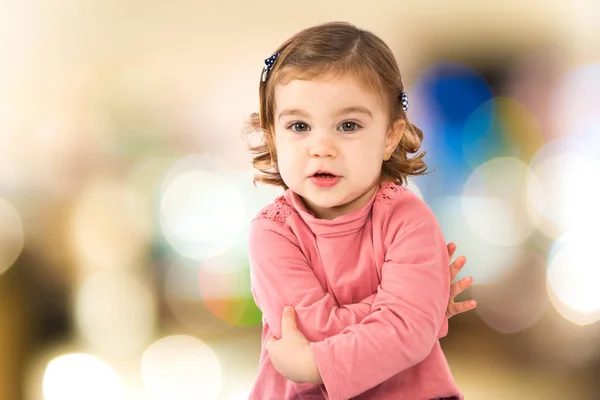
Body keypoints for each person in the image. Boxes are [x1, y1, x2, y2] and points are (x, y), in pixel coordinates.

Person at [245, 21, 477, 400]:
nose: (322, 147)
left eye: (348, 125)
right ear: (272, 136)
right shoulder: (272, 231)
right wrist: (413, 314)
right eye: (299, 126)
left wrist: (313, 364)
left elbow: (400, 330)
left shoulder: (408, 219)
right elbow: (313, 330)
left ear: (389, 136)